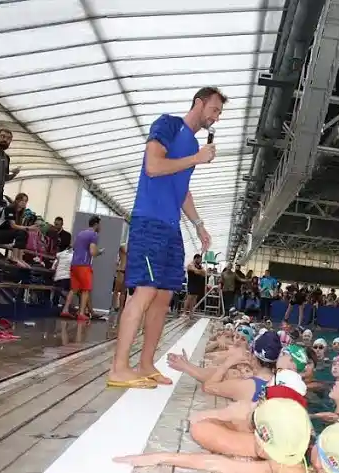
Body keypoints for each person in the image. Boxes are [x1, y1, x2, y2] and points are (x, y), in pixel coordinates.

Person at [106, 87, 225, 390]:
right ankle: (119, 367)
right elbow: (154, 166)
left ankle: (146, 365)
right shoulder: (168, 125)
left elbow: (181, 188)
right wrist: (196, 158)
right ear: (199, 103)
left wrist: (198, 224)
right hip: (149, 221)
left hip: (171, 226)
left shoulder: (194, 143)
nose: (216, 116)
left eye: (219, 113)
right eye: (214, 109)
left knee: (163, 297)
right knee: (144, 292)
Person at [115, 397, 313, 472]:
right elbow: (220, 465)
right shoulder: (286, 460)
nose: (253, 435)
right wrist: (162, 457)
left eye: (256, 431)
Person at [64, 216, 105, 320]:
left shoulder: (80, 233)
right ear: (96, 224)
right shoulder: (94, 235)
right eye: (100, 224)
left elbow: (74, 247)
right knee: (85, 290)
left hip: (74, 264)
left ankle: (65, 310)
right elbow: (92, 252)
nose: (100, 227)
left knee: (73, 289)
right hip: (84, 265)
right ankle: (81, 313)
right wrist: (99, 252)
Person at [0, 192, 37, 267]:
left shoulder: (20, 213)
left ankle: (20, 258)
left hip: (6, 234)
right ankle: (14, 257)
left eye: (26, 201)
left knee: (24, 233)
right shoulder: (9, 209)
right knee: (21, 232)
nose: (24, 203)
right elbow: (13, 226)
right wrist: (29, 228)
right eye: (22, 201)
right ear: (17, 201)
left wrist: (28, 229)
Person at [52, 245, 76, 317]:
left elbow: (54, 267)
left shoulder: (60, 255)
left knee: (60, 289)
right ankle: (72, 307)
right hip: (67, 278)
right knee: (79, 290)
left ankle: (67, 305)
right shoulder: (74, 256)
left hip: (57, 279)